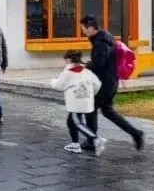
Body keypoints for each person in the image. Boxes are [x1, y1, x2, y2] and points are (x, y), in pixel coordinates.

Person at [80, 15, 145, 150]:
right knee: (107, 111)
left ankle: (92, 140)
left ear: (91, 28)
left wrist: (86, 66)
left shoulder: (100, 43)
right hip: (111, 82)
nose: (83, 32)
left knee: (90, 108)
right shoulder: (107, 37)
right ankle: (136, 133)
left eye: (84, 29)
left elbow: (99, 65)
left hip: (104, 84)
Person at [50, 50, 107, 155]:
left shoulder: (68, 71)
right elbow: (97, 84)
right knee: (71, 122)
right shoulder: (86, 70)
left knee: (77, 123)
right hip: (87, 100)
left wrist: (52, 82)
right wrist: (90, 94)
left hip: (76, 103)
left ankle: (96, 139)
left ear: (68, 59)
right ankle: (75, 144)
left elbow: (59, 86)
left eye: (66, 60)